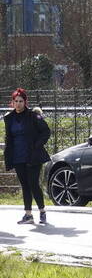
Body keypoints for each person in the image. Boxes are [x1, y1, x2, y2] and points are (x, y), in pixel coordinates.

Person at [4, 88, 51, 225]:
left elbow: (46, 131)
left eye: (21, 101)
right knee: (25, 185)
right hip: (18, 156)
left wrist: (37, 145)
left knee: (33, 183)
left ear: (25, 102)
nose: (18, 104)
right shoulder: (9, 118)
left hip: (33, 156)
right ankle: (28, 214)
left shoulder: (33, 115)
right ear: (12, 103)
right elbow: (9, 138)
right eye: (16, 101)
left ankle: (42, 212)